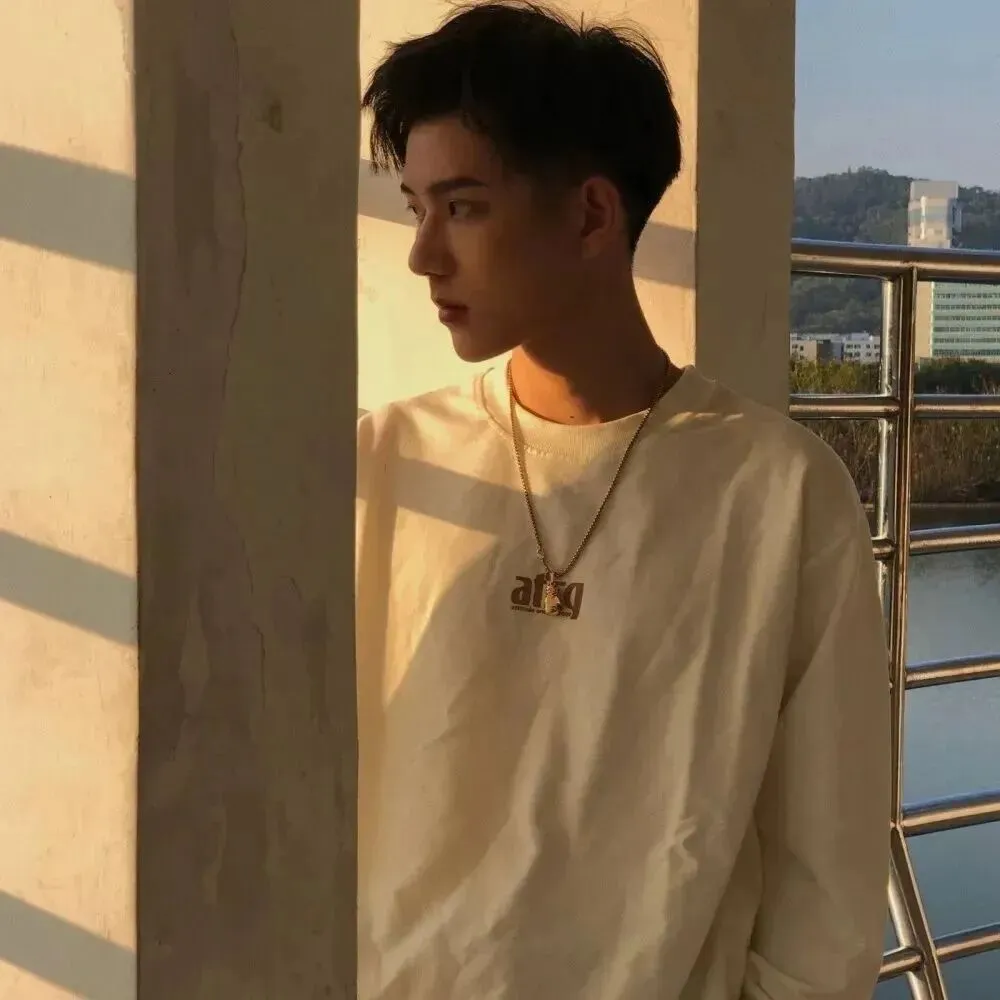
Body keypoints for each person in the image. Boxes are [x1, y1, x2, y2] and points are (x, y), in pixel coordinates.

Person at [355, 3, 891, 998]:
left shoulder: (778, 493)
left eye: (462, 208)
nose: (423, 254)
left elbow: (828, 875)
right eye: (414, 207)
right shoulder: (386, 462)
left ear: (593, 215)